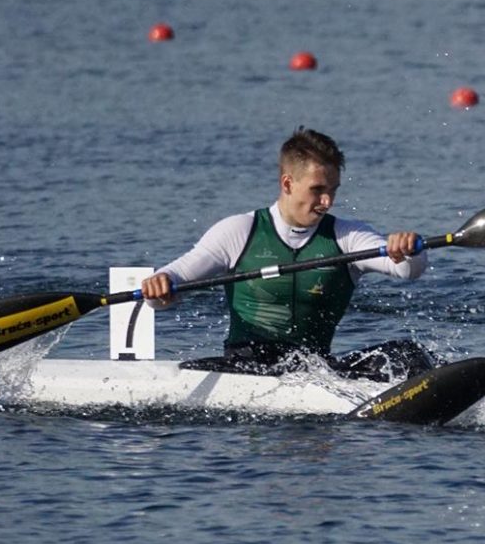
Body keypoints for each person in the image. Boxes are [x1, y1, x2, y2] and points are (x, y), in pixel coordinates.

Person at [141, 128, 432, 380]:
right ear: (287, 184)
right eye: (317, 190)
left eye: (333, 190)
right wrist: (160, 285)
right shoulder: (239, 231)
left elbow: (408, 270)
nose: (327, 201)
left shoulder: (347, 236)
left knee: (408, 354)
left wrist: (406, 250)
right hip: (246, 368)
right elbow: (171, 284)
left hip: (314, 369)